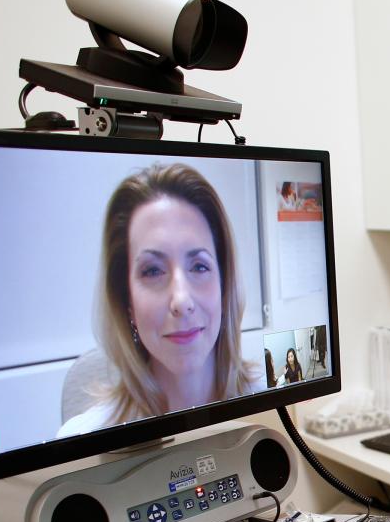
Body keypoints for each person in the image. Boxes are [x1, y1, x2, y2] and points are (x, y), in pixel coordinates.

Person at [59, 163, 258, 436]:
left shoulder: (275, 410)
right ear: (126, 300)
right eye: (152, 271)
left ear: (224, 286)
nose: (181, 300)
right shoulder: (83, 441)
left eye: (199, 266)